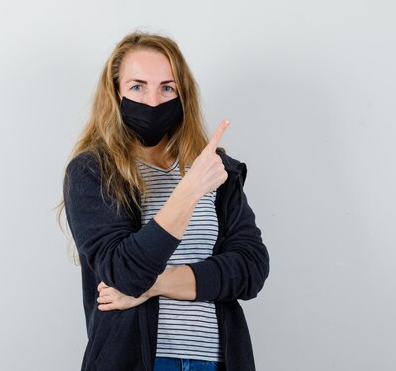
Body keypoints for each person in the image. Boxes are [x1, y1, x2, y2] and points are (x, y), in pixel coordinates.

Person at [60, 32, 269, 371]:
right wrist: (187, 192)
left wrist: (153, 285)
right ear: (116, 93)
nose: (153, 101)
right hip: (136, 360)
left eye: (167, 88)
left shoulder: (216, 170)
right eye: (137, 87)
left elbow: (250, 269)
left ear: (182, 94)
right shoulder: (92, 171)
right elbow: (123, 272)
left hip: (216, 360)